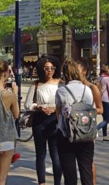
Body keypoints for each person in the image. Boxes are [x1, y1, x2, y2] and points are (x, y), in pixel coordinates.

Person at [55, 59, 95, 185]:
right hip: (86, 134)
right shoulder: (87, 90)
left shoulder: (61, 91)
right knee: (86, 170)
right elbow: (90, 108)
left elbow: (58, 115)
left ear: (64, 74)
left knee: (69, 173)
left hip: (67, 135)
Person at [24, 55, 62, 185]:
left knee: (55, 155)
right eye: (46, 68)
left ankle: (57, 182)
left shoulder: (60, 83)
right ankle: (42, 182)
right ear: (41, 69)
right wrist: (37, 107)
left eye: (52, 68)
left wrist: (54, 108)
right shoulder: (36, 84)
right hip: (39, 121)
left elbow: (66, 103)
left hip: (55, 121)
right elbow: (27, 104)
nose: (49, 71)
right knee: (40, 155)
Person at [76, 59, 103, 185]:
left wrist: (82, 112)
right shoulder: (72, 87)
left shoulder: (92, 88)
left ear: (84, 71)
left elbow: (100, 109)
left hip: (87, 128)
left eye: (77, 69)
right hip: (73, 128)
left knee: (88, 161)